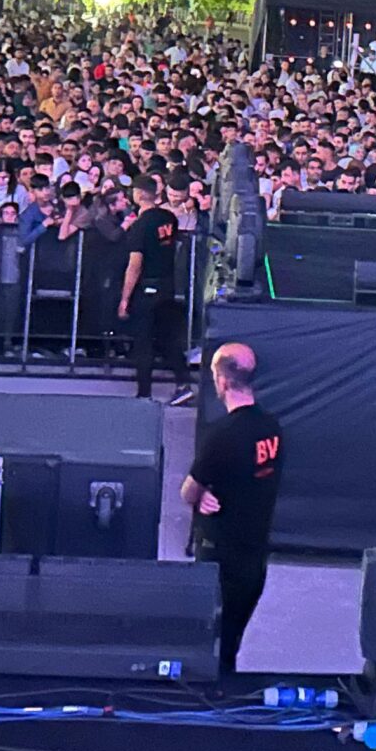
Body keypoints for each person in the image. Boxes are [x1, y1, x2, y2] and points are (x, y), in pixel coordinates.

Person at [178, 342, 283, 677]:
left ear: (221, 382)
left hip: (220, 556)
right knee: (230, 645)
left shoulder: (222, 436)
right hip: (254, 555)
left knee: (210, 643)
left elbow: (187, 492)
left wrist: (201, 492)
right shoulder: (271, 429)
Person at [117, 176, 189, 403]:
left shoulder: (141, 226)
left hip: (147, 286)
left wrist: (124, 298)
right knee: (168, 337)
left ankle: (144, 392)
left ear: (138, 194)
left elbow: (135, 264)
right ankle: (183, 382)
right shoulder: (169, 218)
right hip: (167, 284)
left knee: (144, 340)